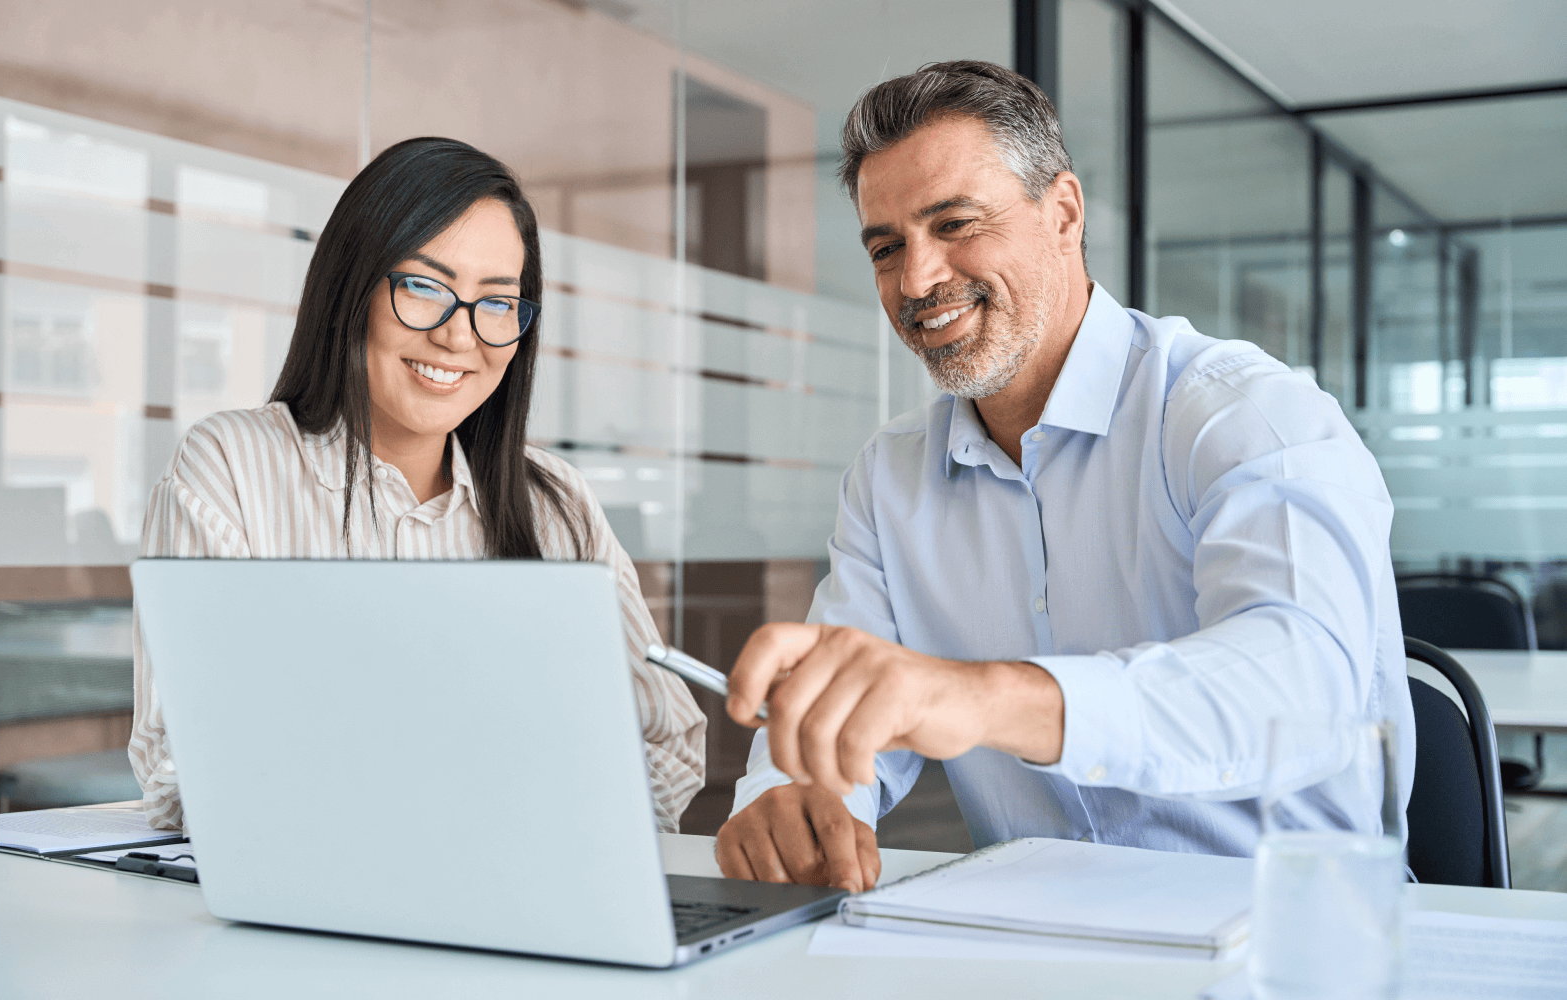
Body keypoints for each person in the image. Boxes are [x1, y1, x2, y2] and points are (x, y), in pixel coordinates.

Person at [715, 61, 1415, 891]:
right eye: (886, 247)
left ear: (1064, 215)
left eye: (956, 223)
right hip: (1033, 938)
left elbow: (1301, 691)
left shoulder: (1242, 414)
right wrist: (794, 795)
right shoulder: (889, 478)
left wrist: (981, 697)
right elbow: (847, 716)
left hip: (1287, 935)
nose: (916, 279)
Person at [128, 138, 705, 832]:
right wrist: (510, 770)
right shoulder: (231, 468)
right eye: (425, 287)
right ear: (354, 288)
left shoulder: (555, 503)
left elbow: (668, 744)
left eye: (497, 302)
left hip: (526, 894)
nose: (460, 337)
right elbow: (178, 767)